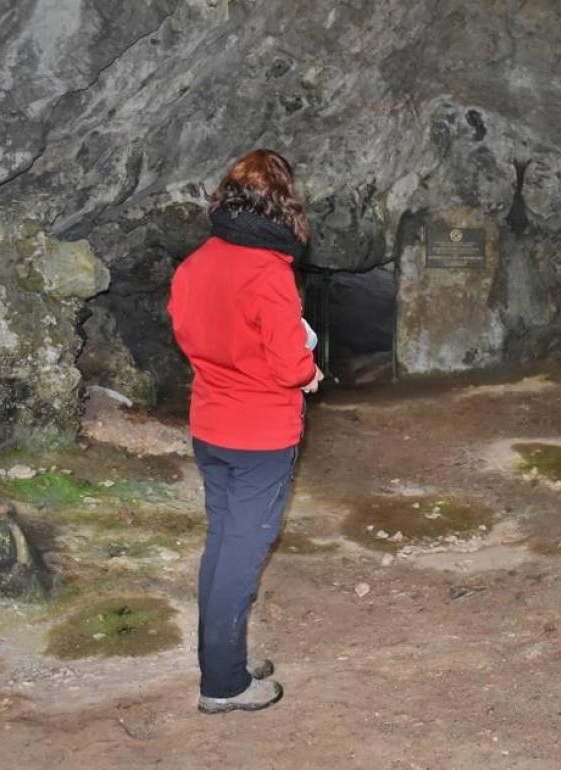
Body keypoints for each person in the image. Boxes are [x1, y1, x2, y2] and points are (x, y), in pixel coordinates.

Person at [167, 149, 324, 714]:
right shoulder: (267, 272)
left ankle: (221, 660)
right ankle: (225, 686)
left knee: (222, 545)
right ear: (283, 204)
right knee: (243, 550)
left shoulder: (197, 263)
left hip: (211, 425)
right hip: (259, 434)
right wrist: (308, 371)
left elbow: (189, 334)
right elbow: (289, 364)